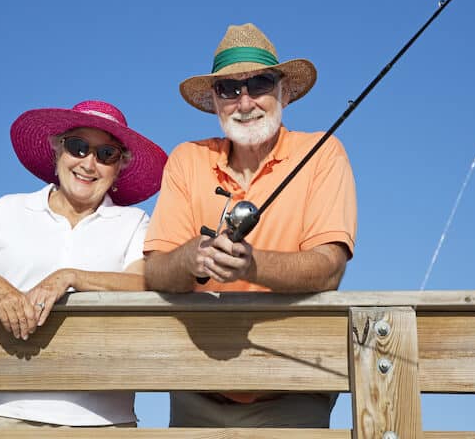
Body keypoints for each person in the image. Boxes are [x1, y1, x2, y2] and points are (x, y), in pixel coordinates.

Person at [144, 23, 357, 428]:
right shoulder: (186, 159)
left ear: (284, 91)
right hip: (195, 387)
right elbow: (154, 269)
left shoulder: (323, 153)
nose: (245, 101)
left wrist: (250, 264)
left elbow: (329, 266)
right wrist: (191, 258)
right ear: (215, 100)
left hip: (292, 389)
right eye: (228, 88)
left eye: (259, 83)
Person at [0, 100, 167, 429]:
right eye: (78, 147)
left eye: (106, 154)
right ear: (58, 150)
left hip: (101, 422)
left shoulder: (133, 222)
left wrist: (69, 277)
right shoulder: (8, 209)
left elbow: (145, 281)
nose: (89, 163)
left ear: (119, 168)